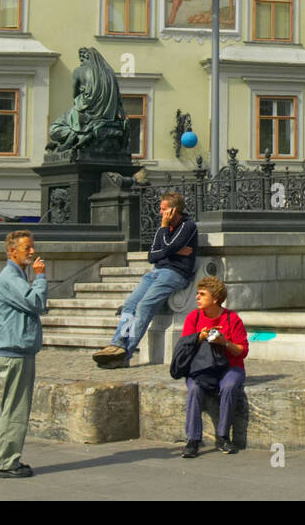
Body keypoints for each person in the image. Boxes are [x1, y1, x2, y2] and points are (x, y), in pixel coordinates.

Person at [93, 191, 197, 368]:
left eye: (163, 209)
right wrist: (172, 250)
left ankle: (125, 353)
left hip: (175, 273)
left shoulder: (188, 226)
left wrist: (167, 242)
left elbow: (166, 248)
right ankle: (117, 344)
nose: (159, 212)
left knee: (144, 306)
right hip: (156, 271)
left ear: (173, 211)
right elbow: (152, 255)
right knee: (129, 305)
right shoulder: (163, 228)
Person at [0, 229, 48, 478]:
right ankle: (6, 462)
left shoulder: (16, 275)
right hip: (14, 351)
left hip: (18, 348)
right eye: (27, 248)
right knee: (15, 409)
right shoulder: (10, 278)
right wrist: (41, 278)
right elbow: (36, 303)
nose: (33, 252)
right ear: (12, 251)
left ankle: (8, 458)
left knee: (15, 407)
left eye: (32, 246)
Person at [179, 275, 248, 458]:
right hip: (201, 368)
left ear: (215, 299)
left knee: (229, 386)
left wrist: (224, 342)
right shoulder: (193, 317)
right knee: (193, 389)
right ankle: (193, 440)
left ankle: (224, 437)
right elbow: (184, 346)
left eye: (202, 294)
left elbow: (242, 351)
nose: (197, 297)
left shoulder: (232, 318)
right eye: (197, 294)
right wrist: (199, 338)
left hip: (229, 367)